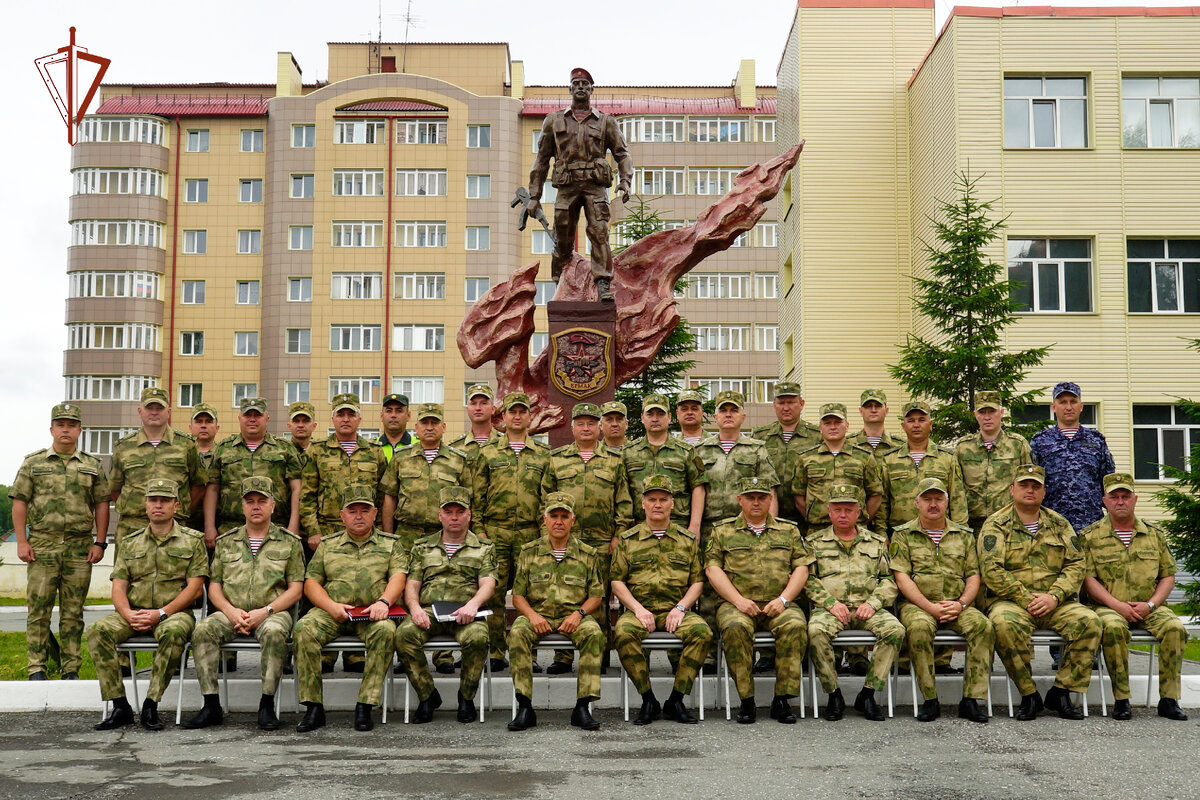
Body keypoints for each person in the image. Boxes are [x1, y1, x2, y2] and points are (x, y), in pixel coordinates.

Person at [978, 464, 1101, 720]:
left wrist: (1055, 596)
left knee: (1090, 621)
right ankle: (1028, 694)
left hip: (1055, 601)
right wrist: (1025, 598)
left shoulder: (1059, 523)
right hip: (1011, 601)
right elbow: (991, 570)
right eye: (1024, 485)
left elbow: (1077, 563)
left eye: (1036, 486)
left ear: (1044, 492)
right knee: (1002, 624)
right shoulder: (996, 524)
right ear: (1012, 490)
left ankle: (1062, 692)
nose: (1030, 490)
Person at [184, 477, 305, 730]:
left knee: (274, 632)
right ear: (242, 507)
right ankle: (210, 704)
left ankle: (267, 704)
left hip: (273, 612)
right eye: (250, 502)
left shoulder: (290, 542)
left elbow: (296, 589)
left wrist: (265, 611)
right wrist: (230, 611)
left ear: (273, 505)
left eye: (262, 501)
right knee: (203, 629)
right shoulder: (226, 541)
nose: (256, 506)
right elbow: (214, 585)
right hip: (231, 612)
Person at [88, 479, 207, 730]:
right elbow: (119, 585)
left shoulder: (192, 541)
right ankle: (120, 705)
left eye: (165, 501)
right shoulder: (130, 542)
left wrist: (161, 613)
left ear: (176, 506)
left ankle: (151, 704)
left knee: (173, 633)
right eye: (153, 500)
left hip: (174, 613)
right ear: (146, 505)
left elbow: (195, 587)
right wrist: (127, 614)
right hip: (133, 612)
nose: (158, 505)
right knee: (98, 631)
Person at [293, 484, 406, 732]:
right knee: (303, 629)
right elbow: (311, 582)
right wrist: (330, 606)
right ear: (342, 515)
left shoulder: (390, 544)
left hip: (372, 614)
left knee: (385, 631)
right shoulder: (328, 544)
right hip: (332, 612)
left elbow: (399, 576)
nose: (358, 516)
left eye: (364, 510)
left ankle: (365, 705)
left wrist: (384, 602)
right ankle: (313, 707)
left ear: (375, 513)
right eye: (352, 511)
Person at [12, 402, 109, 681]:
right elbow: (20, 502)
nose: (66, 429)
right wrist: (21, 541)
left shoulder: (91, 464)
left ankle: (70, 668)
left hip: (80, 548)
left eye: (71, 425)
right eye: (61, 424)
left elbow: (101, 504)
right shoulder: (34, 462)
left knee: (73, 612)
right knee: (38, 611)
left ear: (80, 430)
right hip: (42, 546)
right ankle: (37, 668)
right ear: (52, 429)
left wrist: (99, 543)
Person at [1081, 472, 1189, 721]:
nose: (1120, 501)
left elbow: (1167, 576)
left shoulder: (1154, 535)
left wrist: (1151, 605)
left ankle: (1169, 699)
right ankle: (1122, 700)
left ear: (1135, 499)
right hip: (1107, 607)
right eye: (1114, 496)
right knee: (1114, 628)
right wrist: (1116, 605)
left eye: (1125, 496)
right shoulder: (1090, 537)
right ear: (1104, 501)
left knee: (1174, 627)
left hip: (1148, 606)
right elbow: (1088, 579)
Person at [706, 477, 812, 724]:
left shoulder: (789, 530)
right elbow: (712, 570)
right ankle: (746, 701)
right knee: (735, 628)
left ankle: (783, 700)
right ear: (739, 500)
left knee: (796, 626)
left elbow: (802, 568)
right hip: (737, 604)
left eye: (762, 497)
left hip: (779, 603)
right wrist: (738, 600)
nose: (756, 502)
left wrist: (784, 599)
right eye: (750, 497)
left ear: (770, 499)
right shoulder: (722, 531)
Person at [540, 402, 633, 674]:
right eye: (581, 423)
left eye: (591, 423)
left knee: (600, 599)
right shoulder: (556, 459)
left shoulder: (615, 461)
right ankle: (563, 657)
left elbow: (624, 501)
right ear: (572, 428)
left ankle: (599, 656)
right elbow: (543, 500)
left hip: (602, 541)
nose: (586, 428)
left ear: (599, 428)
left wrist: (618, 535)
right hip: (564, 540)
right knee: (563, 596)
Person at [525, 66, 633, 302]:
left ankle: (603, 283)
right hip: (567, 186)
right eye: (577, 84)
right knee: (562, 235)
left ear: (592, 90)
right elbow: (541, 160)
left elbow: (622, 155)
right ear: (570, 89)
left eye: (585, 85)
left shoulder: (606, 122)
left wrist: (625, 181)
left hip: (595, 188)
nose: (581, 88)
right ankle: (560, 281)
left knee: (599, 232)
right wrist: (534, 196)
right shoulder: (554, 121)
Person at [890, 478, 993, 723]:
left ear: (947, 502)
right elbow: (902, 578)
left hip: (957, 604)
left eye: (938, 499)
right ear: (917, 503)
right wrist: (930, 608)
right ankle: (929, 699)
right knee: (918, 628)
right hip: (919, 606)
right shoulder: (903, 535)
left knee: (983, 627)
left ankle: (971, 700)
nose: (933, 504)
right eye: (927, 499)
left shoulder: (964, 535)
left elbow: (973, 575)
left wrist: (962, 604)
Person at [611, 474, 712, 725]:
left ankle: (675, 700)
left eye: (663, 499)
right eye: (652, 499)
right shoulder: (628, 539)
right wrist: (636, 609)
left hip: (676, 610)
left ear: (672, 504)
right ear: (643, 504)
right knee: (623, 633)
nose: (658, 504)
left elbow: (697, 581)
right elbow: (617, 581)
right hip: (639, 610)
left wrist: (680, 608)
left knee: (702, 632)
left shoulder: (687, 540)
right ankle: (648, 700)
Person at [381, 402, 472, 674]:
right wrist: (389, 535)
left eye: (435, 423)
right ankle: (405, 652)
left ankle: (442, 654)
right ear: (416, 427)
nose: (430, 427)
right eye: (425, 423)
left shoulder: (458, 459)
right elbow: (389, 497)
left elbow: (469, 501)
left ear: (444, 427)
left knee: (441, 586)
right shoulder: (402, 457)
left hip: (443, 534)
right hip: (407, 533)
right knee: (403, 589)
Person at [395, 486, 497, 724]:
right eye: (448, 511)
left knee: (479, 638)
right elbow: (412, 585)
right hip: (430, 611)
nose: (454, 517)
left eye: (459, 512)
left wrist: (473, 605)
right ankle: (427, 696)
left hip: (468, 612)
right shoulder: (422, 547)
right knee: (404, 635)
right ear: (439, 515)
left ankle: (466, 698)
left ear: (469, 515)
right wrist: (415, 609)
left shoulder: (484, 547)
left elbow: (488, 584)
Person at [693, 390, 778, 672]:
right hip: (711, 526)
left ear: (743, 415)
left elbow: (768, 491)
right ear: (715, 416)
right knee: (708, 588)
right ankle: (708, 655)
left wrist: (770, 529)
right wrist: (694, 526)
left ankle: (753, 650)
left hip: (747, 525)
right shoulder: (702, 450)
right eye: (723, 410)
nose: (728, 414)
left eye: (733, 410)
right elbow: (698, 488)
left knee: (751, 584)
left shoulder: (756, 449)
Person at [806, 484, 905, 722]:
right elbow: (808, 580)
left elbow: (889, 580)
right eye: (837, 509)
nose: (843, 514)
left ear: (858, 512)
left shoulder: (876, 542)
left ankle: (868, 694)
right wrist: (830, 603)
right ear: (828, 511)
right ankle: (834, 694)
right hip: (831, 609)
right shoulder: (813, 543)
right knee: (815, 631)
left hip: (867, 608)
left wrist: (873, 603)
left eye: (848, 509)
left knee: (895, 630)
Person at [507, 492, 605, 731]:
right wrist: (531, 616)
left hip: (574, 616)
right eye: (554, 516)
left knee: (594, 633)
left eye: (564, 516)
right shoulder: (528, 552)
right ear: (544, 519)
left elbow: (596, 596)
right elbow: (517, 596)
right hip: (537, 614)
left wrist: (579, 614)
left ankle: (582, 707)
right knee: (517, 633)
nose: (559, 521)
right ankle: (525, 706)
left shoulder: (587, 554)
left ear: (573, 520)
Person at [471, 392, 551, 671]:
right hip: (495, 532)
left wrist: (544, 535)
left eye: (522, 412)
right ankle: (494, 652)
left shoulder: (543, 454)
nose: (517, 416)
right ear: (502, 417)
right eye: (511, 412)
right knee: (491, 592)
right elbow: (477, 496)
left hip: (530, 534)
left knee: (530, 593)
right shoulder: (488, 452)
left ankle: (527, 652)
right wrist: (479, 531)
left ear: (530, 417)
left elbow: (547, 498)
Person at [109, 387, 207, 549]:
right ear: (140, 411)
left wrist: (177, 509)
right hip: (133, 528)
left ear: (168, 411)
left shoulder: (186, 445)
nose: (154, 412)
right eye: (149, 408)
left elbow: (198, 486)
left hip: (175, 528)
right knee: (127, 574)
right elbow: (114, 489)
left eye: (159, 408)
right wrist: (137, 506)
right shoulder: (124, 447)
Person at [204, 397, 302, 546]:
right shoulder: (224, 448)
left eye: (257, 415)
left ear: (267, 418)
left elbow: (297, 489)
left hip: (276, 529)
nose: (252, 419)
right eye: (247, 415)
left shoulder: (284, 448)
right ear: (239, 418)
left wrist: (294, 525)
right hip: (230, 529)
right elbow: (212, 489)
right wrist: (209, 526)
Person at [300, 392, 388, 556]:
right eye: (340, 414)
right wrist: (313, 531)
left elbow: (382, 497)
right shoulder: (317, 450)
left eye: (351, 414)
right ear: (333, 419)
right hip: (327, 531)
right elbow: (307, 495)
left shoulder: (375, 451)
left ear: (359, 420)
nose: (346, 419)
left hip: (367, 531)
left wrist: (381, 531)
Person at [874, 400, 968, 538]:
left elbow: (957, 499)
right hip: (900, 536)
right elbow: (882, 502)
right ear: (903, 426)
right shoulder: (889, 459)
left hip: (939, 535)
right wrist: (881, 533)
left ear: (930, 425)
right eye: (911, 420)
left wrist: (960, 534)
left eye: (922, 420)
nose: (916, 425)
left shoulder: (947, 458)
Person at [621, 393, 707, 536]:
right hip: (639, 528)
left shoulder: (686, 451)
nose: (655, 419)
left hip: (678, 527)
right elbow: (622, 492)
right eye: (650, 414)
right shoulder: (629, 452)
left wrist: (695, 526)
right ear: (643, 418)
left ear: (669, 417)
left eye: (660, 414)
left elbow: (698, 487)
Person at [954, 390, 1033, 534]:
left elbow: (1029, 486)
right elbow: (956, 487)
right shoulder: (963, 448)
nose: (987, 417)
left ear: (1001, 413)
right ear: (975, 415)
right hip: (972, 526)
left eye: (992, 411)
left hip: (1009, 525)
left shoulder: (1018, 445)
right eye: (982, 412)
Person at [752, 381, 821, 529]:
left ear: (801, 404)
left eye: (791, 402)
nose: (786, 408)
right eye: (781, 403)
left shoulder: (817, 436)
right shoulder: (760, 436)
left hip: (806, 517)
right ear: (774, 405)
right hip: (768, 516)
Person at [187, 403, 221, 530]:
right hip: (187, 522)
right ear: (190, 427)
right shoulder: (182, 454)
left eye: (208, 421)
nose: (203, 426)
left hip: (218, 523)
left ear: (217, 427)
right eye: (199, 421)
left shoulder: (225, 454)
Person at [449, 384, 499, 465]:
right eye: (473, 403)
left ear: (493, 409)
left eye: (484, 403)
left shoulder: (506, 444)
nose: (478, 408)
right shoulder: (454, 447)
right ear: (467, 409)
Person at [848, 389, 906, 454]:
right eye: (868, 406)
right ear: (861, 411)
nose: (873, 410)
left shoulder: (901, 446)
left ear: (886, 411)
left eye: (878, 406)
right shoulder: (847, 444)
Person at [376, 393, 412, 462]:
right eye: (389, 411)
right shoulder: (371, 448)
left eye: (399, 411)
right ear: (381, 416)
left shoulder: (418, 447)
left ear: (408, 416)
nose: (393, 415)